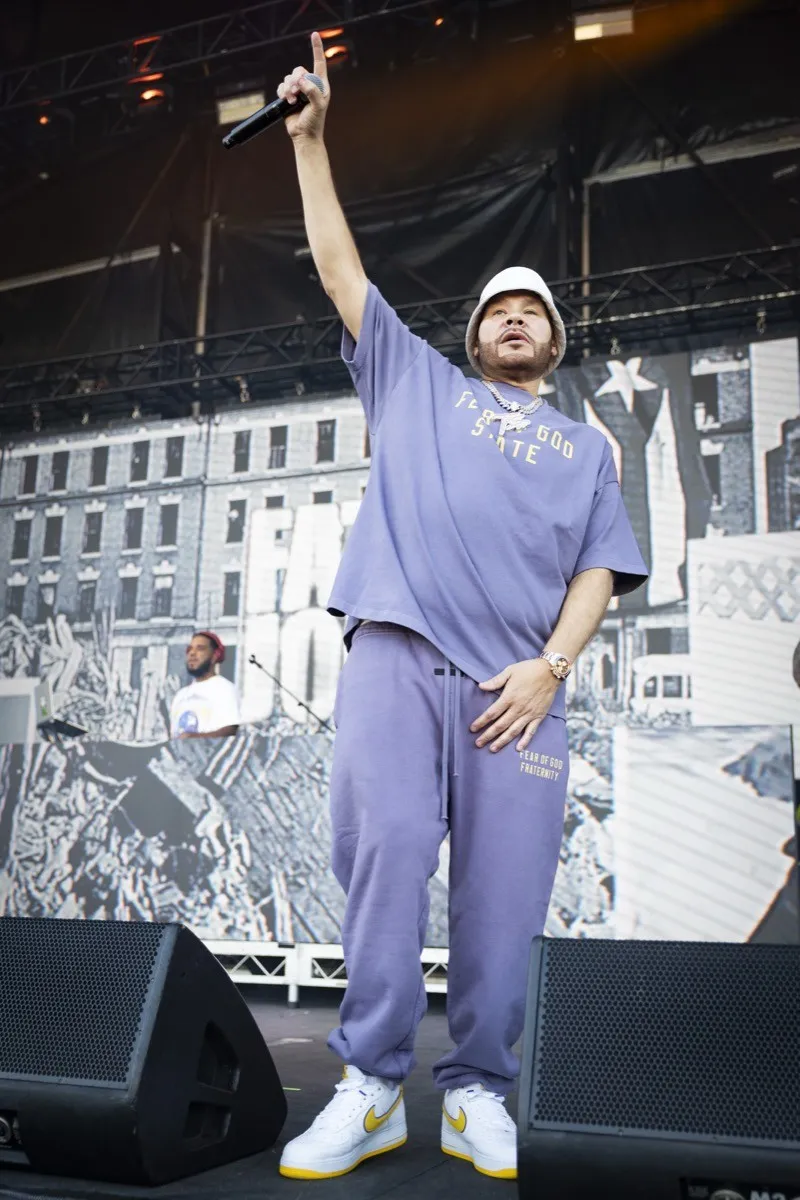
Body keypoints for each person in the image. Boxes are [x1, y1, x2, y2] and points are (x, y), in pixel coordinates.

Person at [277, 35, 649, 1183]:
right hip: (396, 653)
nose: (515, 317)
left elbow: (597, 568)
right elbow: (342, 271)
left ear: (554, 338)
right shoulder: (415, 383)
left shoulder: (587, 450)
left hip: (518, 692)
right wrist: (308, 145)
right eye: (498, 307)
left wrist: (550, 667)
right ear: (474, 333)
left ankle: (479, 1086)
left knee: (503, 897)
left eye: (534, 309)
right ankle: (373, 1083)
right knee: (384, 853)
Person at [169, 632, 241, 739]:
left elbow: (231, 730)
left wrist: (194, 738)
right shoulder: (180, 696)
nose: (192, 653)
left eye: (200, 648)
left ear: (214, 656)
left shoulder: (226, 689)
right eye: (189, 649)